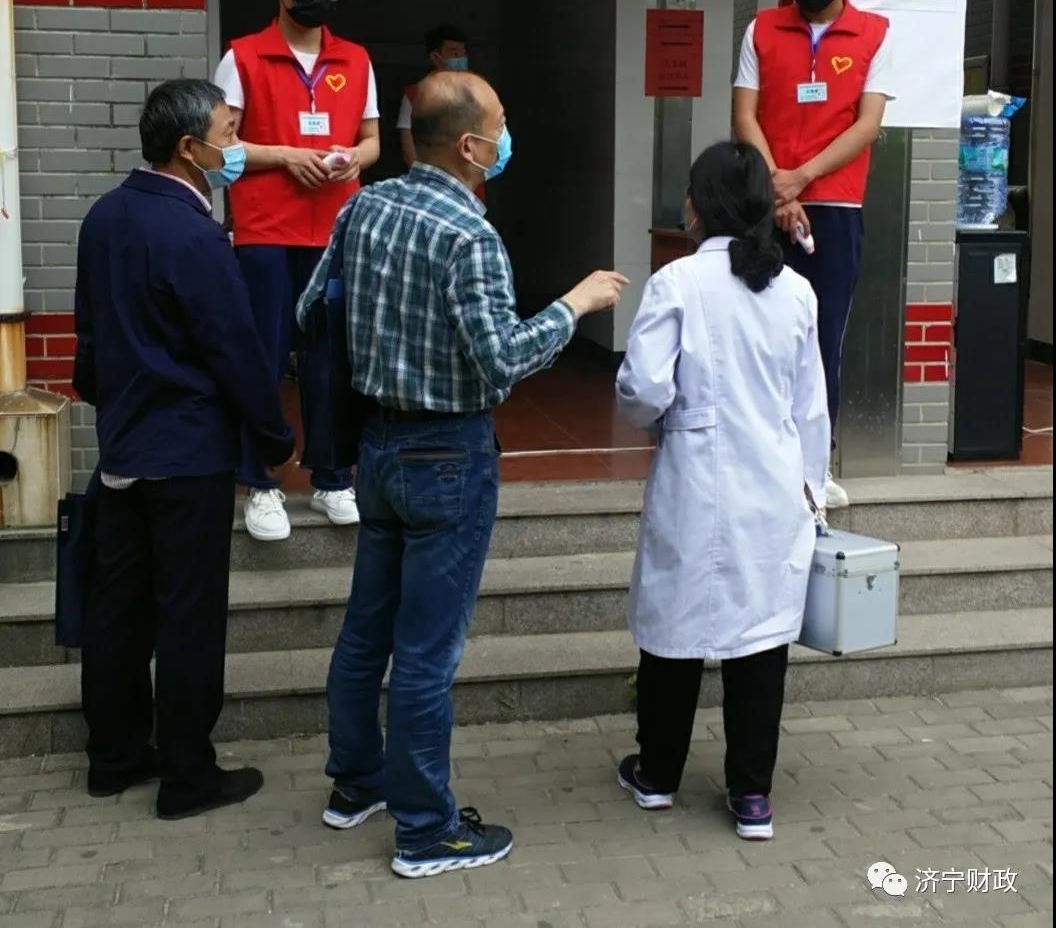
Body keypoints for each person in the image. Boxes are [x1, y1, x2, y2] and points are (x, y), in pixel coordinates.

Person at [297, 71, 627, 879]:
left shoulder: (364, 206)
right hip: (447, 455)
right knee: (425, 653)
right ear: (474, 146)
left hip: (377, 447)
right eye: (502, 124)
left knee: (367, 629)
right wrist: (575, 305)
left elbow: (311, 311)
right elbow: (501, 359)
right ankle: (425, 831)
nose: (509, 137)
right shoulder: (470, 237)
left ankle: (356, 783)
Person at [74, 80, 294, 820]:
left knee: (118, 608)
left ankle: (114, 758)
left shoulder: (104, 216)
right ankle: (188, 775)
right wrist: (273, 436)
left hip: (123, 447)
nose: (236, 147)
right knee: (188, 615)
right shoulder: (195, 235)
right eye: (228, 134)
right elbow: (235, 348)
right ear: (188, 148)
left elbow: (89, 339)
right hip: (189, 453)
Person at [614, 141, 830, 842]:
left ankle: (657, 773)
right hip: (774, 481)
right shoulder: (796, 290)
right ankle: (752, 795)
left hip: (694, 476)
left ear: (698, 205)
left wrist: (665, 418)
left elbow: (643, 389)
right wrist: (815, 492)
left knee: (673, 627)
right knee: (760, 634)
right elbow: (812, 407)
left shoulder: (677, 282)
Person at [214, 0, 381, 541]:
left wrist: (350, 158)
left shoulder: (355, 59)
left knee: (332, 358)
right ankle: (260, 482)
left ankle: (334, 476)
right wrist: (287, 155)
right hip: (265, 231)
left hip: (334, 232)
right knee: (263, 354)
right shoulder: (243, 57)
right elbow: (220, 146)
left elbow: (373, 140)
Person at [732, 0, 893, 509]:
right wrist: (777, 188)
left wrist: (801, 178)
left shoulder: (875, 33)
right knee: (756, 334)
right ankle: (754, 463)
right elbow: (744, 115)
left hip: (834, 206)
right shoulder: (761, 30)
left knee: (823, 337)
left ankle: (814, 469)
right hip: (765, 204)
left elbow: (867, 125)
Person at [397, 24, 484, 203]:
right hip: (428, 191)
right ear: (435, 57)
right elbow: (408, 149)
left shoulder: (480, 93)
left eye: (463, 52)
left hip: (470, 189)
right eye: (454, 52)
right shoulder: (414, 95)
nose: (461, 57)